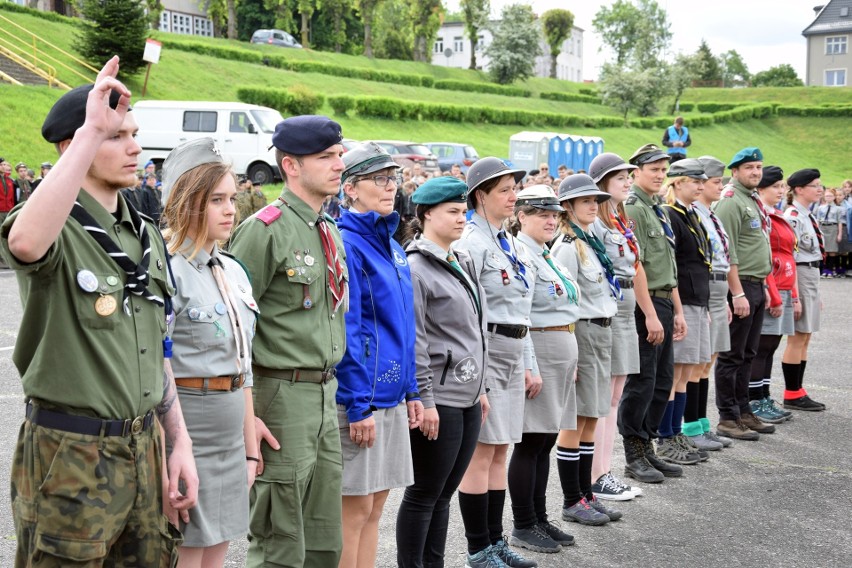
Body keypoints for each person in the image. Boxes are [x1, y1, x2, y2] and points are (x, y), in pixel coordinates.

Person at [1, 57, 197, 565]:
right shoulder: (55, 225)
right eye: (116, 136)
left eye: (133, 133)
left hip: (144, 444)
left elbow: (157, 352)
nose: (134, 146)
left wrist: (179, 444)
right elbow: (23, 243)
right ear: (73, 145)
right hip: (71, 453)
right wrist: (92, 130)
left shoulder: (145, 234)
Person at [228, 114, 349, 567]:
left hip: (324, 392)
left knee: (322, 538)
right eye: (325, 157)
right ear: (291, 166)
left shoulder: (327, 229)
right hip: (279, 395)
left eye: (339, 155)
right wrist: (245, 412)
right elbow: (233, 326)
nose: (339, 164)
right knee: (280, 536)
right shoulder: (265, 230)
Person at [159, 138, 260, 568]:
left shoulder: (232, 269)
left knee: (218, 545)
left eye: (232, 198)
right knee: (185, 551)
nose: (229, 209)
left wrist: (251, 447)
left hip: (230, 435)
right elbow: (156, 367)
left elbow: (244, 367)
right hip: (188, 431)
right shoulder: (165, 268)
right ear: (187, 201)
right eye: (216, 199)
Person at [334, 142, 423, 568]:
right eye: (380, 179)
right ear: (350, 188)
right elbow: (348, 331)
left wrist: (413, 391)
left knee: (374, 511)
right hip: (364, 399)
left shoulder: (392, 244)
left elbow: (404, 327)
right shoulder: (346, 243)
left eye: (394, 178)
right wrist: (357, 405)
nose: (391, 187)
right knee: (351, 514)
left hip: (390, 396)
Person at [396, 176, 489, 568]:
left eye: (462, 211)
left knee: (444, 494)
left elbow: (474, 328)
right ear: (426, 214)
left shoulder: (459, 259)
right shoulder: (417, 266)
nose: (460, 218)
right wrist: (425, 399)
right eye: (452, 212)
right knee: (424, 493)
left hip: (467, 395)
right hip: (440, 398)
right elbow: (415, 340)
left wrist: (481, 388)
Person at [455, 157, 538, 568]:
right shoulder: (470, 242)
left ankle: (496, 540)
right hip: (485, 351)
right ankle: (478, 548)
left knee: (501, 450)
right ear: (480, 195)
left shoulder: (509, 240)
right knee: (480, 454)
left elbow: (521, 310)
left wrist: (528, 361)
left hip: (511, 349)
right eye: (503, 189)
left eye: (514, 188)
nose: (513, 196)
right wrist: (480, 380)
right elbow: (469, 315)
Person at [507, 185, 580, 553]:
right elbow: (520, 314)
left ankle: (539, 517)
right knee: (531, 439)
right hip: (541, 349)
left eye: (554, 214)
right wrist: (528, 364)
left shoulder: (545, 254)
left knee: (547, 440)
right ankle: (523, 523)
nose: (551, 220)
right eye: (541, 214)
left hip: (560, 348)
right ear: (521, 217)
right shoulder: (522, 253)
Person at [551, 174, 622, 525]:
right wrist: (572, 351)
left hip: (601, 332)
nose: (594, 205)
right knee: (575, 419)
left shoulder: (589, 238)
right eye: (586, 201)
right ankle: (571, 500)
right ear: (568, 206)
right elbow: (564, 301)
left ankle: (586, 494)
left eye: (596, 200)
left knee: (592, 416)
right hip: (583, 333)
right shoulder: (567, 244)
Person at [619, 144, 687, 484]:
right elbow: (636, 264)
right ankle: (634, 452)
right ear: (636, 173)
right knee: (643, 380)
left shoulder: (657, 207)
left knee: (662, 381)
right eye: (654, 169)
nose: (660, 175)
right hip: (645, 304)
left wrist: (676, 308)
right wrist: (649, 313)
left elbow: (667, 264)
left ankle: (647, 447)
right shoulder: (634, 209)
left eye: (664, 170)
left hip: (663, 299)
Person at [587, 153, 645, 500]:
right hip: (608, 308)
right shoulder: (596, 222)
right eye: (619, 177)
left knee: (615, 394)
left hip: (623, 309)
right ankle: (597, 474)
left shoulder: (618, 219)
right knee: (604, 399)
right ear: (602, 184)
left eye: (627, 176)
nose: (627, 182)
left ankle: (604, 471)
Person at [712, 147, 775, 440]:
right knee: (732, 355)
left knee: (748, 353)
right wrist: (736, 293)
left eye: (759, 167)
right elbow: (728, 252)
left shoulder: (751, 200)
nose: (756, 172)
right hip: (741, 286)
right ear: (735, 171)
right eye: (749, 167)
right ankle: (727, 416)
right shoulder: (730, 201)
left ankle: (743, 409)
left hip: (756, 284)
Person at [658, 159, 714, 465]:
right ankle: (665, 435)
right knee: (676, 371)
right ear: (678, 182)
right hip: (684, 300)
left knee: (687, 371)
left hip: (697, 300)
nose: (701, 186)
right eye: (695, 181)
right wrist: (679, 308)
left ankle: (675, 431)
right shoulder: (671, 214)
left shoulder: (690, 214)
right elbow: (673, 267)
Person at [691, 156, 734, 449]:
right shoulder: (694, 214)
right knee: (698, 362)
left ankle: (702, 424)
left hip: (718, 287)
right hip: (704, 287)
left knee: (710, 360)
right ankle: (691, 427)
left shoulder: (711, 213)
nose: (721, 186)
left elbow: (724, 255)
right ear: (701, 183)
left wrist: (727, 296)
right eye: (716, 182)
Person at [749, 165, 797, 424]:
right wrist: (773, 292)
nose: (781, 191)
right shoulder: (761, 216)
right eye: (775, 187)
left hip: (785, 285)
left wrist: (794, 294)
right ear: (761, 189)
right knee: (762, 346)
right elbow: (763, 256)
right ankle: (755, 398)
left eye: (782, 187)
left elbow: (789, 253)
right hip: (772, 286)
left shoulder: (775, 215)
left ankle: (764, 395)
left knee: (771, 346)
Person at [781, 168, 827, 411]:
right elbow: (790, 256)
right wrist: (795, 295)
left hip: (811, 273)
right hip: (800, 274)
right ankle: (791, 392)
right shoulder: (793, 217)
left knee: (806, 335)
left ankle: (798, 389)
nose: (820, 189)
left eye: (820, 185)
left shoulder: (808, 215)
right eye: (814, 185)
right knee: (798, 336)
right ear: (799, 189)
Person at [817, 187, 844, 277]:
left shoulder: (838, 209)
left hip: (832, 228)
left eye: (830, 196)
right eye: (827, 196)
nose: (828, 198)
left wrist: (839, 234)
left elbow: (840, 222)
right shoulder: (820, 208)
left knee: (832, 250)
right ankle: (824, 269)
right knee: (824, 250)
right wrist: (817, 231)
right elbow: (817, 220)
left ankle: (830, 269)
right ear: (824, 197)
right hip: (822, 228)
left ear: (834, 197)